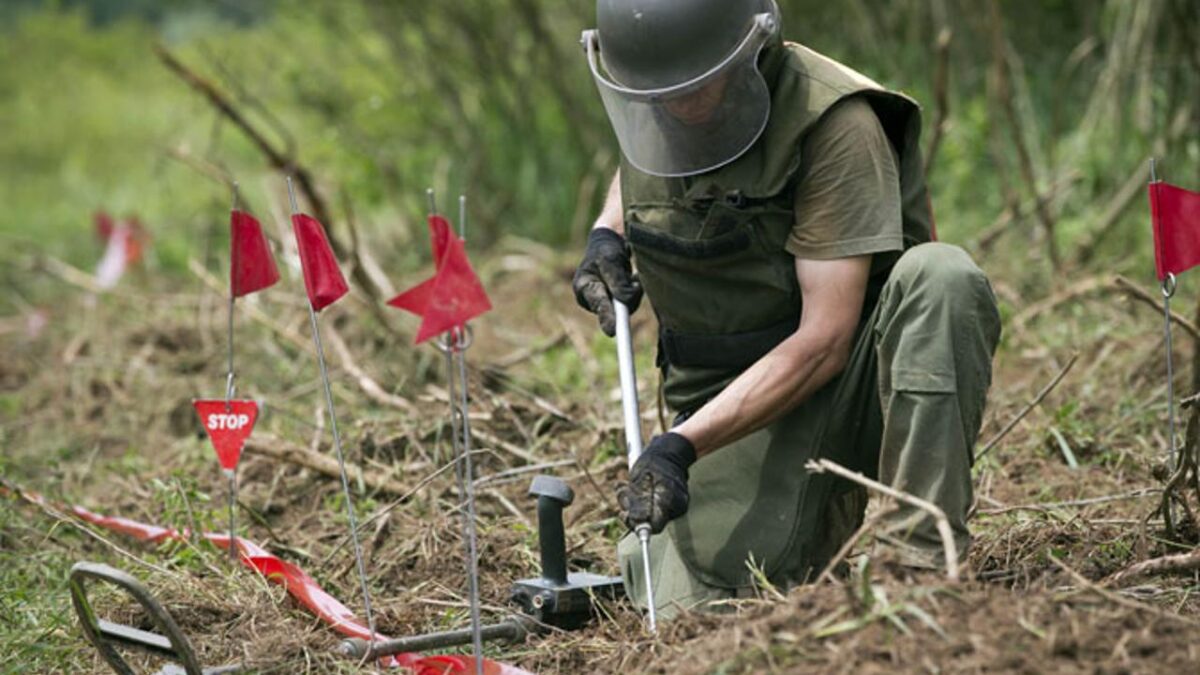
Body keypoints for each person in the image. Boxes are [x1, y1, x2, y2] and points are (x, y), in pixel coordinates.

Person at [572, 0, 1001, 619]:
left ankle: (920, 568)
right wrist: (606, 233)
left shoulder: (834, 125)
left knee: (944, 278)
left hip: (850, 386)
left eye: (694, 88)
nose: (675, 108)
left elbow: (824, 341)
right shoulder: (663, 98)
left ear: (752, 47)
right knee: (694, 610)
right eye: (655, 97)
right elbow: (643, 158)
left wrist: (678, 447)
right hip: (729, 406)